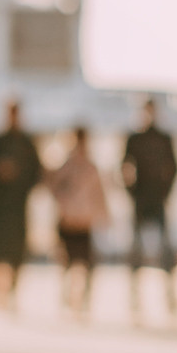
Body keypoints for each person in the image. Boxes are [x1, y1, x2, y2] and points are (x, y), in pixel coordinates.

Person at [0, 101, 42, 309]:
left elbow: (37, 174)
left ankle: (13, 292)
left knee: (17, 251)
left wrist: (18, 176)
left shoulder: (27, 143)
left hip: (17, 207)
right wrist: (0, 171)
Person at [122, 98, 177, 316]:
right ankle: (135, 298)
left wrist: (166, 192)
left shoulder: (164, 139)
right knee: (136, 250)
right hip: (141, 200)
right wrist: (132, 192)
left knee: (164, 250)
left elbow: (174, 167)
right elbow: (125, 166)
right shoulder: (135, 139)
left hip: (157, 200)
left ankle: (170, 297)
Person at [47, 127, 109, 316]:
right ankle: (67, 299)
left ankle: (83, 300)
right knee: (67, 264)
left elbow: (99, 194)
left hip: (84, 223)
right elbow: (54, 189)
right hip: (68, 222)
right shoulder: (65, 166)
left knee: (86, 265)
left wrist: (103, 216)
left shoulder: (91, 168)